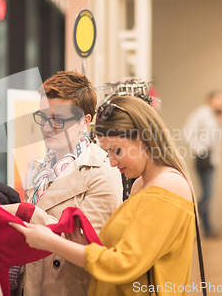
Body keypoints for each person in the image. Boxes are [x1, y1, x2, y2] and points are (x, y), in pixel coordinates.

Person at [10, 96, 199, 296]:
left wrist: (52, 242)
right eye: (108, 152)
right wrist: (87, 246)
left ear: (143, 138)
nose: (112, 162)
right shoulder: (142, 184)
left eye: (117, 150)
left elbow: (123, 264)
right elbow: (132, 254)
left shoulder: (166, 186)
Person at [1, 71, 122, 296]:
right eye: (43, 117)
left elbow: (91, 249)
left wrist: (25, 212)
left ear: (85, 121)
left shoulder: (103, 172)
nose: (46, 127)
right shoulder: (44, 166)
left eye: (57, 120)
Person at [183, 90, 222, 238]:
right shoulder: (200, 114)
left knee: (208, 194)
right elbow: (187, 132)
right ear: (210, 100)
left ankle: (208, 229)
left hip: (213, 160)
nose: (221, 104)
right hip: (203, 159)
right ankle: (188, 225)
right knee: (207, 195)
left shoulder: (216, 117)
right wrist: (201, 149)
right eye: (218, 100)